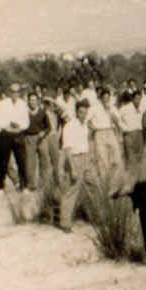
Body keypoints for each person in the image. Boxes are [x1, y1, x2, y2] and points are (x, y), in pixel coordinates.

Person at [58, 99, 93, 232]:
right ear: (77, 112)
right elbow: (67, 149)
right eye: (81, 112)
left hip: (85, 158)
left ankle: (93, 215)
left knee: (93, 186)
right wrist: (72, 168)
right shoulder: (70, 126)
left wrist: (89, 159)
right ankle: (65, 222)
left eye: (85, 112)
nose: (83, 114)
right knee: (72, 190)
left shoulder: (85, 125)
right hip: (75, 159)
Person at [0, 83, 30, 190]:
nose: (15, 94)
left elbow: (26, 122)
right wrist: (7, 126)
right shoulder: (3, 104)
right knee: (4, 162)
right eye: (13, 91)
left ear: (20, 93)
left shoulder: (23, 104)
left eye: (17, 91)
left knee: (21, 161)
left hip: (18, 134)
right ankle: (1, 187)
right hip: (6, 134)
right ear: (9, 92)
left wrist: (19, 127)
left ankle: (24, 186)